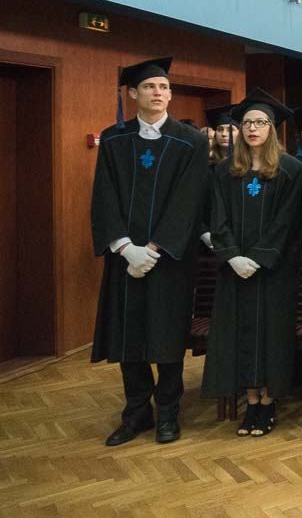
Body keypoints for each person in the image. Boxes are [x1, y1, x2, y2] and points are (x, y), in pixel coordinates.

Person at [90, 57, 209, 446]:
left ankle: (168, 414)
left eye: (163, 87)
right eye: (149, 87)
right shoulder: (114, 139)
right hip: (124, 258)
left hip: (170, 258)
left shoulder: (190, 141)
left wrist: (154, 248)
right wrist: (126, 248)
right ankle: (136, 413)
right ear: (132, 94)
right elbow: (104, 195)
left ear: (170, 95)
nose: (158, 93)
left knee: (167, 336)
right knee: (129, 335)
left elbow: (188, 200)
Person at [202, 89, 302, 437]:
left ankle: (268, 402)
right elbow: (218, 218)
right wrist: (232, 256)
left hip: (274, 270)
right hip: (235, 270)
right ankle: (250, 401)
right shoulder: (225, 171)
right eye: (247, 123)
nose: (252, 128)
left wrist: (259, 258)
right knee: (239, 334)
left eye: (260, 122)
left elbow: (287, 221)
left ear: (272, 128)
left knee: (271, 334)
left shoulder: (291, 170)